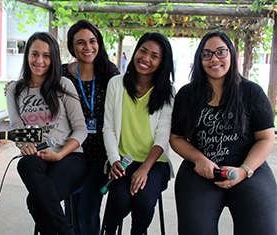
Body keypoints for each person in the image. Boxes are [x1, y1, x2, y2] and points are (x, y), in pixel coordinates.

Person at [170, 30, 277, 234]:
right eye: (207, 54)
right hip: (200, 170)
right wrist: (200, 160)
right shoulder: (187, 94)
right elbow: (176, 138)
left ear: (231, 54)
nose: (214, 59)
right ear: (199, 58)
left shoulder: (252, 92)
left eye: (221, 52)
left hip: (249, 168)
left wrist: (244, 170)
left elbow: (265, 138)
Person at [6, 32, 88, 235]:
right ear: (27, 56)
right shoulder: (15, 90)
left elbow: (81, 129)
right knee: (25, 163)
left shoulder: (63, 85)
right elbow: (17, 128)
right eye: (35, 54)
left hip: (69, 156)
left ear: (53, 59)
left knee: (35, 202)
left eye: (46, 55)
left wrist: (60, 154)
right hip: (39, 154)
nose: (39, 61)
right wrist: (24, 145)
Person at [102, 32, 175, 235]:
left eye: (154, 55)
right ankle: (109, 231)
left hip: (154, 163)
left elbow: (163, 135)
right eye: (143, 51)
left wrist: (144, 169)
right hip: (123, 161)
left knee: (143, 201)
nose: (146, 58)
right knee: (120, 200)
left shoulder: (167, 92)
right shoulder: (116, 84)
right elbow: (108, 127)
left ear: (161, 63)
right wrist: (114, 159)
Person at [62, 19, 120, 235]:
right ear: (72, 47)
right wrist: (14, 88)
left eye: (92, 41)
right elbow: (36, 89)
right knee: (71, 207)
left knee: (88, 208)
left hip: (100, 154)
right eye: (80, 43)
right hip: (70, 150)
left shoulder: (109, 73)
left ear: (99, 43)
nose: (88, 47)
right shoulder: (61, 74)